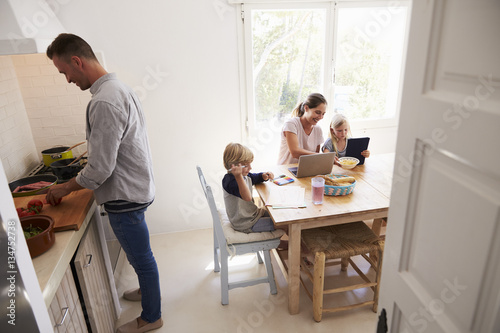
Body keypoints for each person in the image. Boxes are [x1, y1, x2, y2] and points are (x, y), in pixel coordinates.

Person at [45, 33, 162, 333]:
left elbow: (100, 170)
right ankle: (147, 293)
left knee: (142, 258)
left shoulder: (104, 101)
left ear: (76, 61)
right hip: (135, 187)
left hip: (125, 195)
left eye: (64, 72)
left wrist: (64, 187)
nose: (67, 79)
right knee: (140, 255)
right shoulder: (117, 87)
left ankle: (152, 316)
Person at [222, 143, 276, 233]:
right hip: (245, 223)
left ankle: (279, 243)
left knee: (277, 215)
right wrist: (238, 176)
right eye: (246, 165)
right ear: (233, 166)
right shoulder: (229, 181)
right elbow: (247, 197)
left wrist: (263, 176)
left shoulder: (244, 176)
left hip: (253, 215)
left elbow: (254, 177)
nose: (250, 168)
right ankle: (282, 244)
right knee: (282, 224)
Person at [277, 93, 327, 165]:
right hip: (285, 170)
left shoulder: (318, 130)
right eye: (318, 112)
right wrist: (323, 156)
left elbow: (314, 157)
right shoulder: (291, 124)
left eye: (323, 114)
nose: (321, 117)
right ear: (306, 108)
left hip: (304, 170)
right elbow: (295, 152)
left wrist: (326, 158)